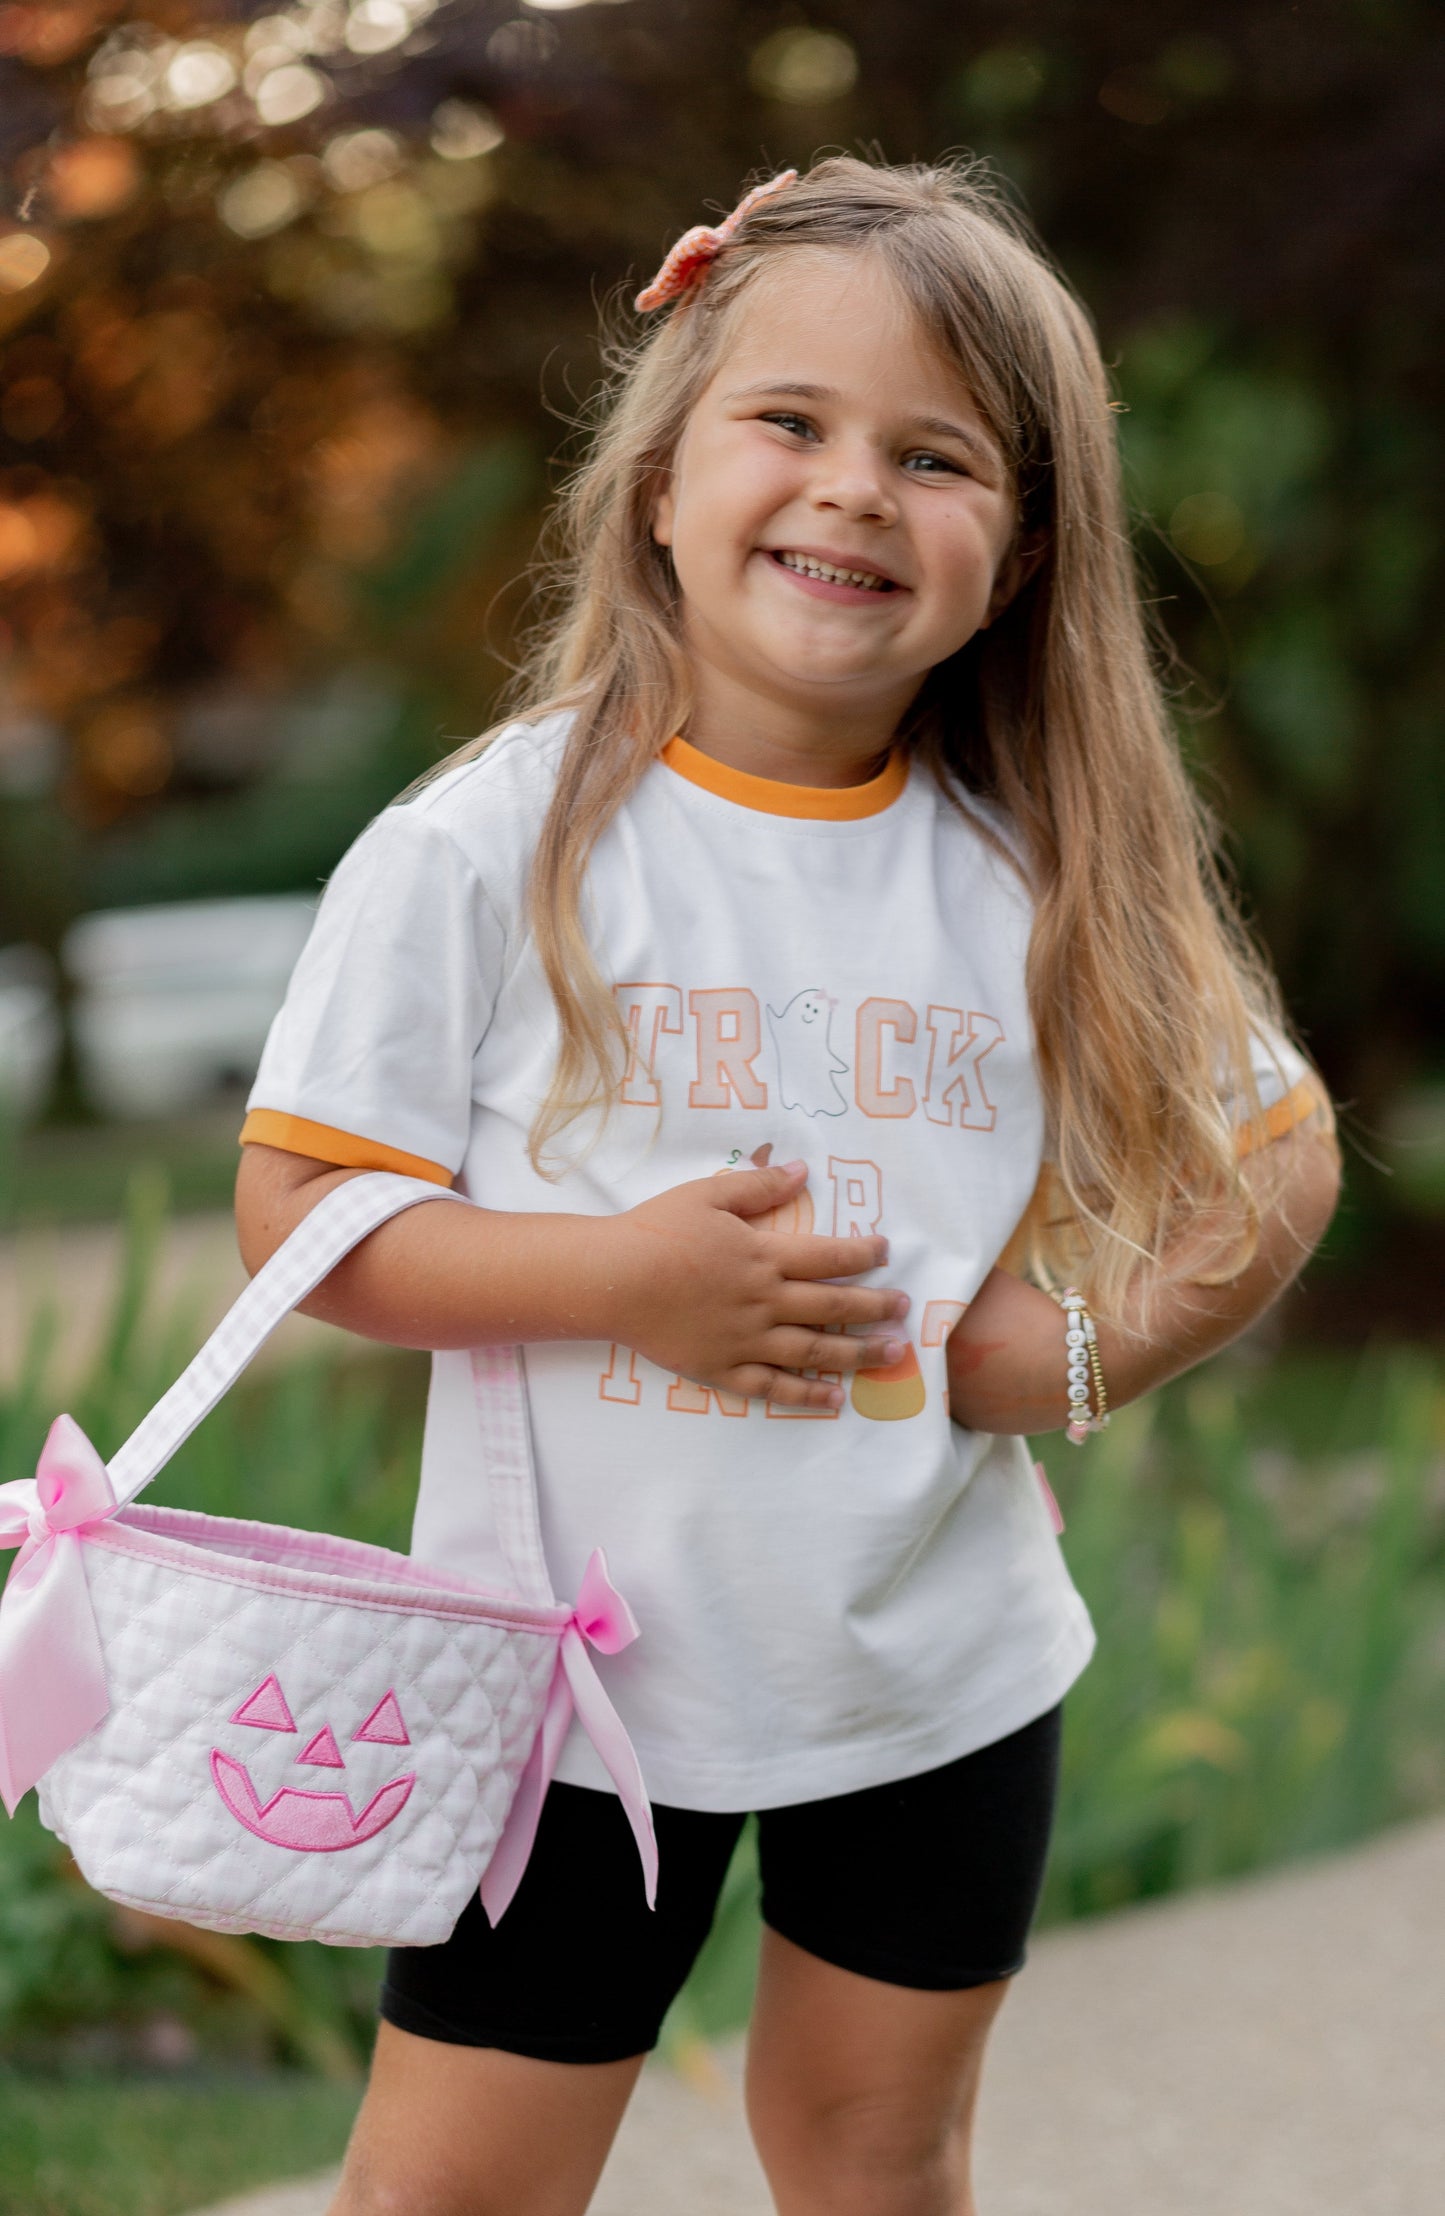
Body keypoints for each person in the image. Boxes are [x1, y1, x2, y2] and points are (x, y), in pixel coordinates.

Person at [235, 157, 1340, 2216]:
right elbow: (300, 1216)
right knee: (447, 2197)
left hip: (933, 1671)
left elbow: (1278, 1151)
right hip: (570, 1692)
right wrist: (618, 1280)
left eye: (935, 457)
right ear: (660, 483)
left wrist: (1075, 1353)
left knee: (875, 2163)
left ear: (1016, 557)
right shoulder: (487, 846)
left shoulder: (1032, 876)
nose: (853, 491)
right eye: (790, 421)